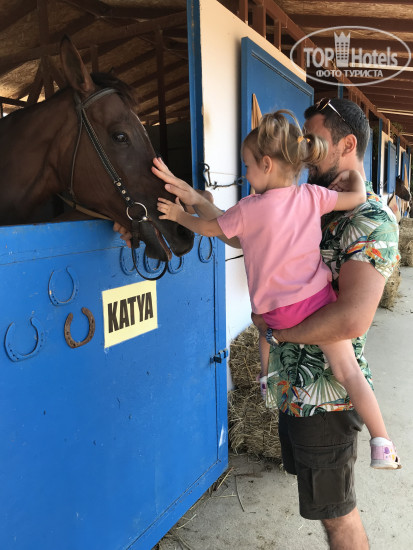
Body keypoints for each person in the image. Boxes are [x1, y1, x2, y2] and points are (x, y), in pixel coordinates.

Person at [114, 98, 401, 549]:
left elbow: (351, 318)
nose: (304, 149)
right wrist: (191, 198)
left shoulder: (369, 220)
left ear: (347, 145)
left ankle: (382, 440)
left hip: (325, 399)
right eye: (301, 140)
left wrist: (277, 331)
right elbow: (245, 230)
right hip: (294, 390)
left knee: (337, 518)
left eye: (313, 141)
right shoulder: (306, 199)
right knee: (325, 511)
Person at [154, 108, 399, 471]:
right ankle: (383, 442)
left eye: (247, 167)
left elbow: (214, 228)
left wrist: (179, 215)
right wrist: (355, 181)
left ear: (266, 164)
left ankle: (266, 380)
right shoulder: (312, 196)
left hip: (283, 330)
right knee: (349, 371)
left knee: (263, 331)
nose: (245, 175)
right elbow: (355, 198)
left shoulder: (252, 207)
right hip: (314, 305)